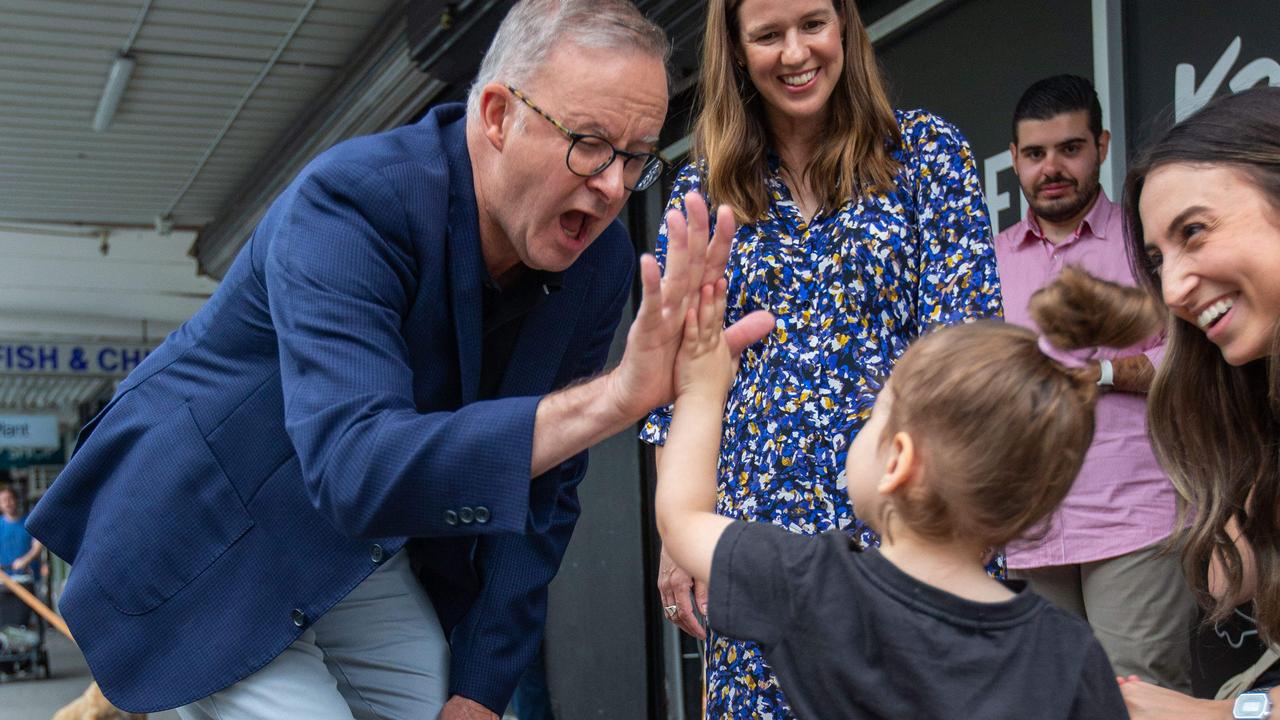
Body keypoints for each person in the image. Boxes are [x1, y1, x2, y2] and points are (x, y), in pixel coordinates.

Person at [25, 1, 773, 717]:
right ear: (498, 116)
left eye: (636, 158)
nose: (612, 187)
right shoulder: (350, 201)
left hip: (356, 551)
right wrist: (617, 398)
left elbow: (546, 489)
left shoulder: (601, 260)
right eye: (588, 143)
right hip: (200, 539)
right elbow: (358, 466)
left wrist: (482, 686)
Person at [642, 0, 1001, 714]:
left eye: (812, 23)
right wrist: (679, 537)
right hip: (753, 543)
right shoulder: (702, 190)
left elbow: (965, 352)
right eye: (768, 35)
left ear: (845, 26)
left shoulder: (926, 154)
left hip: (908, 526)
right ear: (737, 51)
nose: (796, 52)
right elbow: (675, 381)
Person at [654, 268, 1146, 718]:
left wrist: (703, 388)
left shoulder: (813, 585)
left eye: (875, 411)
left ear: (899, 461)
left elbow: (681, 519)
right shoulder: (1068, 653)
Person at [993, 74, 1196, 690]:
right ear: (1014, 161)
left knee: (1142, 699)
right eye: (1035, 154)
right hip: (1025, 526)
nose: (1052, 168)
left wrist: (1104, 371)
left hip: (1134, 517)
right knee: (1051, 701)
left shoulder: (1145, 244)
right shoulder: (986, 257)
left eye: (1070, 149)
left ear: (1102, 146)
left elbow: (1196, 360)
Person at [1098, 86, 1280, 719]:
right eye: (1157, 258)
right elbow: (1230, 580)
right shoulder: (1248, 403)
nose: (1172, 288)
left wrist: (1220, 715)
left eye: (1194, 231)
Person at [1, 483, 42, 628]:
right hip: (5, 585)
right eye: (4, 500)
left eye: (10, 499)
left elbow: (37, 547)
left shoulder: (28, 522)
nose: (8, 503)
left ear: (16, 500)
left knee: (30, 621)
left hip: (28, 582)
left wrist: (26, 560)